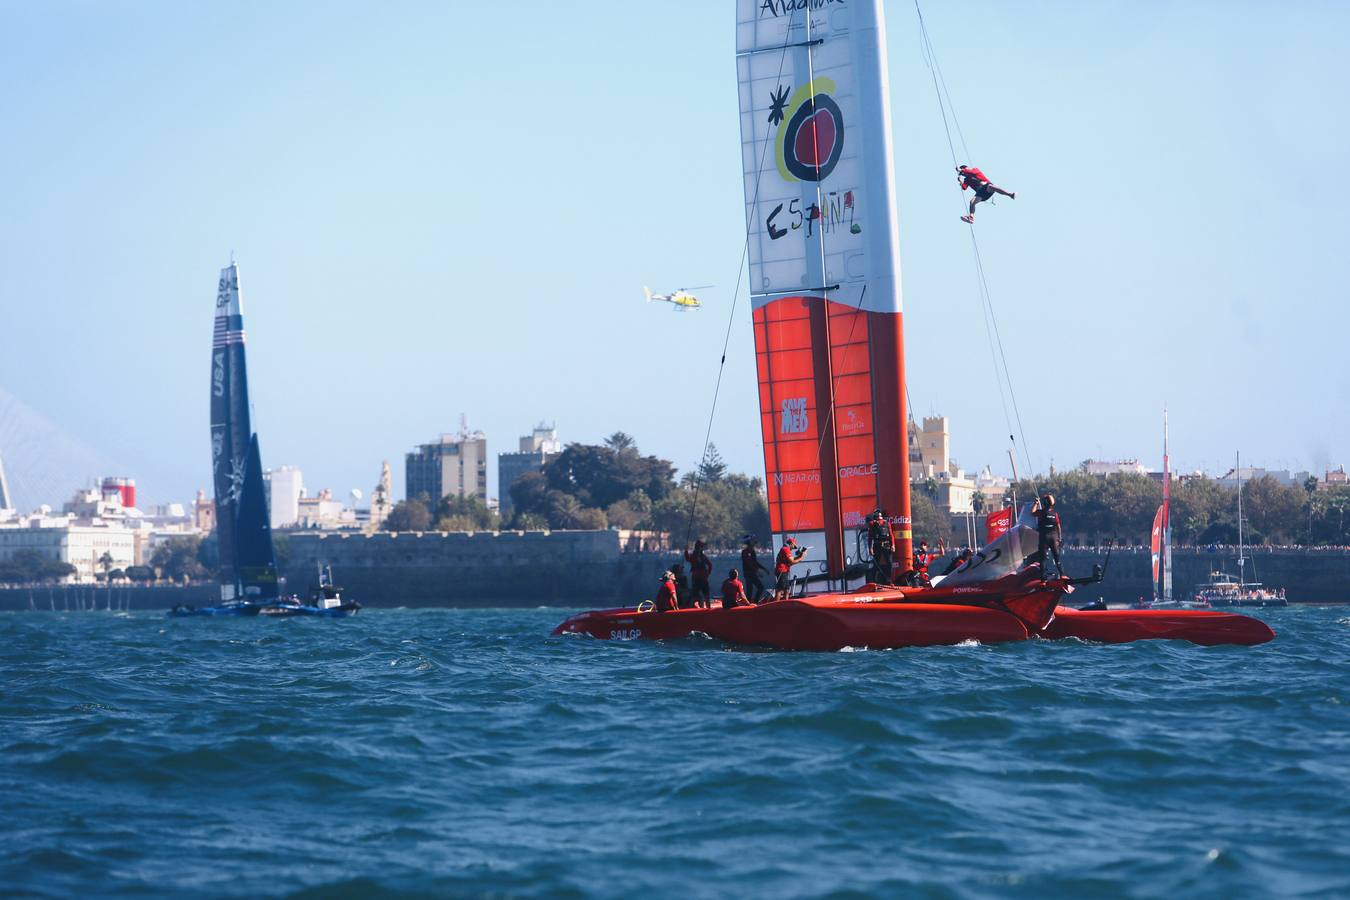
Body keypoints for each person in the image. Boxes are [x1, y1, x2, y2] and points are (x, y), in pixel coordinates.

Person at [1035, 493, 1064, 578]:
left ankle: (1043, 580)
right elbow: (1058, 527)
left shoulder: (1041, 513)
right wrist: (1060, 538)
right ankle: (1062, 575)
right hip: (1053, 538)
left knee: (1043, 559)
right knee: (1057, 557)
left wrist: (1036, 504)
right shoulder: (1055, 514)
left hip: (1044, 538)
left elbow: (1032, 512)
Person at [866, 509, 896, 585]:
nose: (879, 518)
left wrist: (893, 545)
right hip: (877, 545)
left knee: (889, 563)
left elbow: (891, 535)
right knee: (876, 564)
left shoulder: (886, 523)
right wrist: (870, 548)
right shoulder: (872, 524)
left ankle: (888, 580)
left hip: (886, 545)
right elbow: (870, 537)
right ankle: (874, 581)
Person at [740, 535, 769, 603]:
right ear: (749, 542)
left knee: (760, 587)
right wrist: (757, 571)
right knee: (750, 589)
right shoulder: (745, 552)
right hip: (748, 573)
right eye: (752, 541)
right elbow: (748, 563)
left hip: (752, 573)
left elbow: (755, 562)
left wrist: (764, 569)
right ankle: (748, 604)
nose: (754, 542)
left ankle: (755, 602)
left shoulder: (752, 551)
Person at [684, 540, 713, 608]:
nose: (703, 548)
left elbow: (687, 558)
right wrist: (707, 574)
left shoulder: (696, 556)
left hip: (698, 578)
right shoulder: (700, 556)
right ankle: (706, 609)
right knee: (703, 595)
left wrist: (686, 550)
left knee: (698, 595)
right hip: (700, 579)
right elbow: (710, 565)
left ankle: (702, 608)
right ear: (700, 547)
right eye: (702, 547)